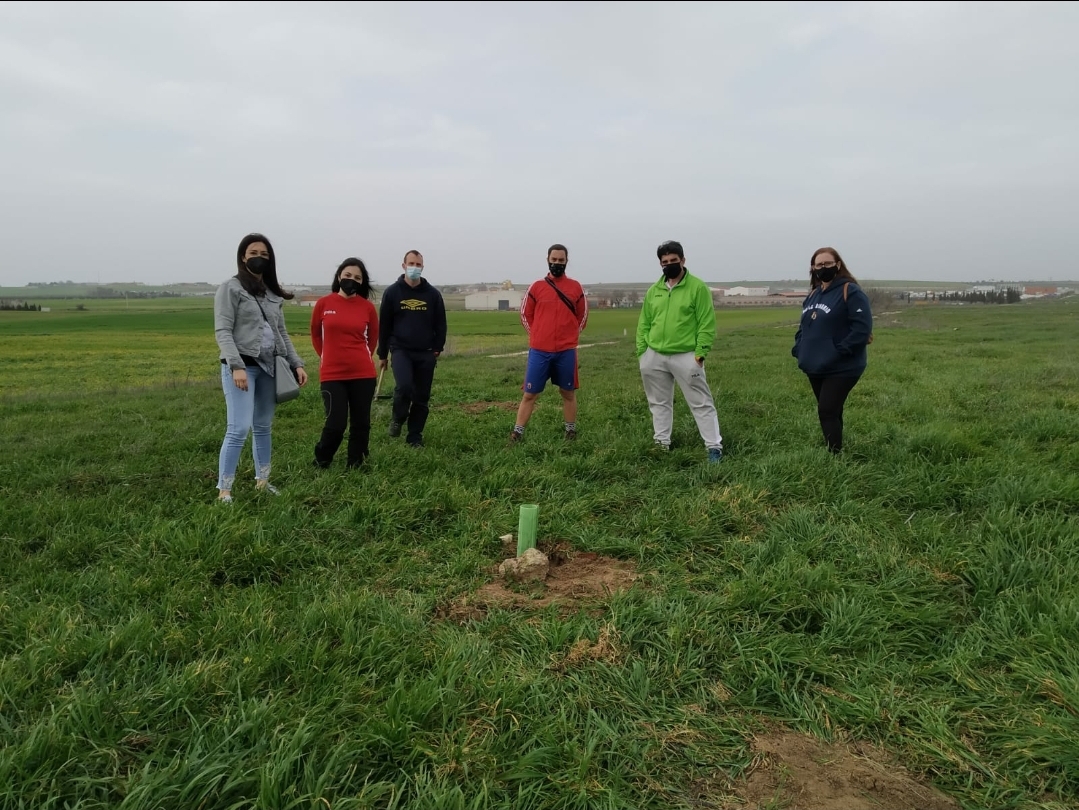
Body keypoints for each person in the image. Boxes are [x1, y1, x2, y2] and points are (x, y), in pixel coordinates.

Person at [214, 233, 308, 502]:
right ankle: (224, 490)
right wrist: (236, 365)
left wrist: (296, 364)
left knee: (263, 426)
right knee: (239, 427)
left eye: (264, 255)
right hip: (242, 367)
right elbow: (223, 330)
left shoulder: (271, 293)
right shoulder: (230, 288)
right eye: (254, 253)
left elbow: (282, 333)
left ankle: (263, 481)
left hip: (270, 368)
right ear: (243, 256)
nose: (259, 258)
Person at [636, 240, 723, 463]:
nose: (669, 265)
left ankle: (714, 446)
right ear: (660, 264)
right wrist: (642, 352)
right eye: (665, 262)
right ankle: (661, 443)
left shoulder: (697, 287)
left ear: (683, 260)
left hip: (686, 355)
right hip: (654, 354)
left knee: (701, 402)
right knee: (658, 402)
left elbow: (706, 323)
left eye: (673, 261)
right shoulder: (654, 290)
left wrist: (700, 354)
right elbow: (644, 322)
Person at [791, 246, 873, 454]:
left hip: (843, 366)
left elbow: (862, 328)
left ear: (838, 265)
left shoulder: (850, 291)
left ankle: (834, 456)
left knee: (826, 410)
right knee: (832, 410)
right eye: (819, 264)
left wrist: (839, 351)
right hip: (815, 365)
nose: (823, 268)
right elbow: (803, 327)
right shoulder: (814, 294)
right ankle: (836, 445)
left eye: (827, 264)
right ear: (813, 268)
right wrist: (799, 348)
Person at [509, 243, 588, 443]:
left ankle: (570, 431)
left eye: (561, 261)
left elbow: (582, 316)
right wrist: (537, 335)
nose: (557, 264)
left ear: (566, 261)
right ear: (548, 260)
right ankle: (517, 432)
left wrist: (570, 337)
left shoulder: (575, 287)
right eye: (554, 260)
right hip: (539, 351)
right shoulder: (536, 287)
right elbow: (525, 314)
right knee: (529, 393)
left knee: (567, 392)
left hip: (566, 351)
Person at [310, 258, 380, 469]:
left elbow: (372, 340)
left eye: (357, 278)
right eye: (348, 275)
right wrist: (327, 357)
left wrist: (360, 357)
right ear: (339, 276)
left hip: (363, 374)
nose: (352, 280)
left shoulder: (367, 308)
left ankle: (356, 463)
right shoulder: (324, 303)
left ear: (362, 282)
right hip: (332, 375)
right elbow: (315, 335)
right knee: (335, 423)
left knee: (361, 423)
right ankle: (322, 460)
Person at [377, 249, 447, 448]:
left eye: (418, 265)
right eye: (411, 264)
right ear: (403, 266)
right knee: (404, 386)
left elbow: (440, 323)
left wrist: (437, 347)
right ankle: (398, 417)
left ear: (423, 267)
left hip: (425, 352)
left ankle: (414, 436)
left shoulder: (432, 294)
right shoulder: (392, 292)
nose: (414, 268)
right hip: (401, 350)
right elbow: (385, 325)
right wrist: (382, 353)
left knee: (421, 397)